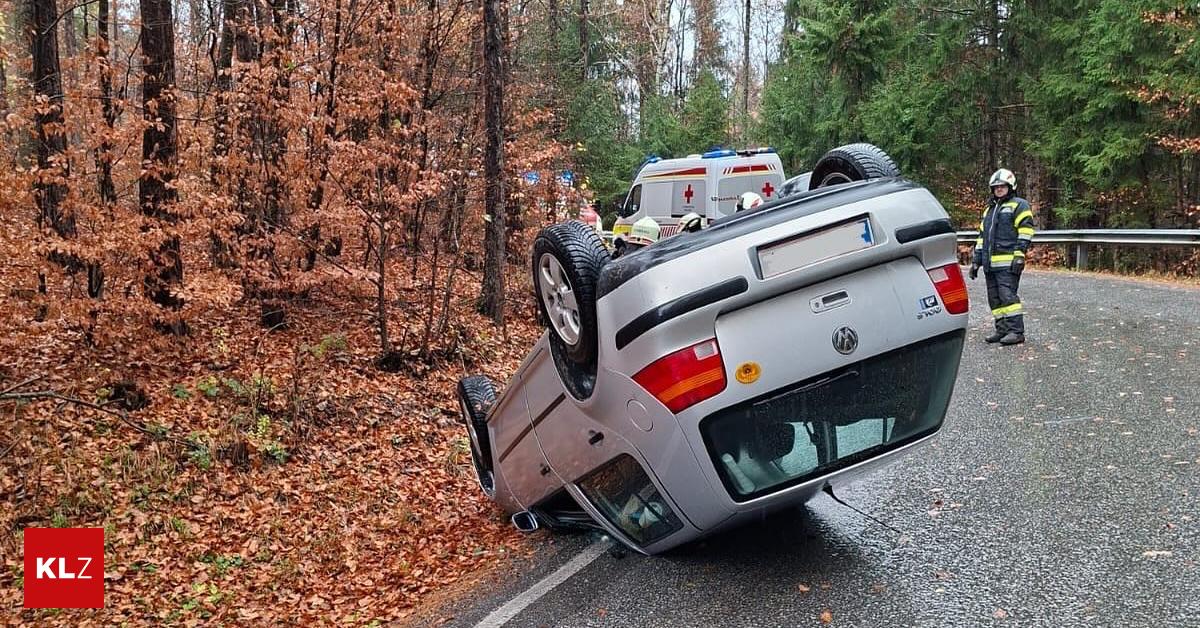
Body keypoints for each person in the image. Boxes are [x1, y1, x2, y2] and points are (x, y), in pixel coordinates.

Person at [969, 168, 1036, 345]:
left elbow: (1026, 230)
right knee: (994, 298)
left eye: (1002, 186)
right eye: (996, 187)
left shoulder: (1019, 205)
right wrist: (976, 261)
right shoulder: (989, 210)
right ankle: (1002, 330)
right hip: (990, 264)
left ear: (1010, 186)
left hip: (1008, 262)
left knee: (1008, 297)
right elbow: (982, 237)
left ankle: (1016, 331)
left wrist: (1019, 254)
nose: (999, 189)